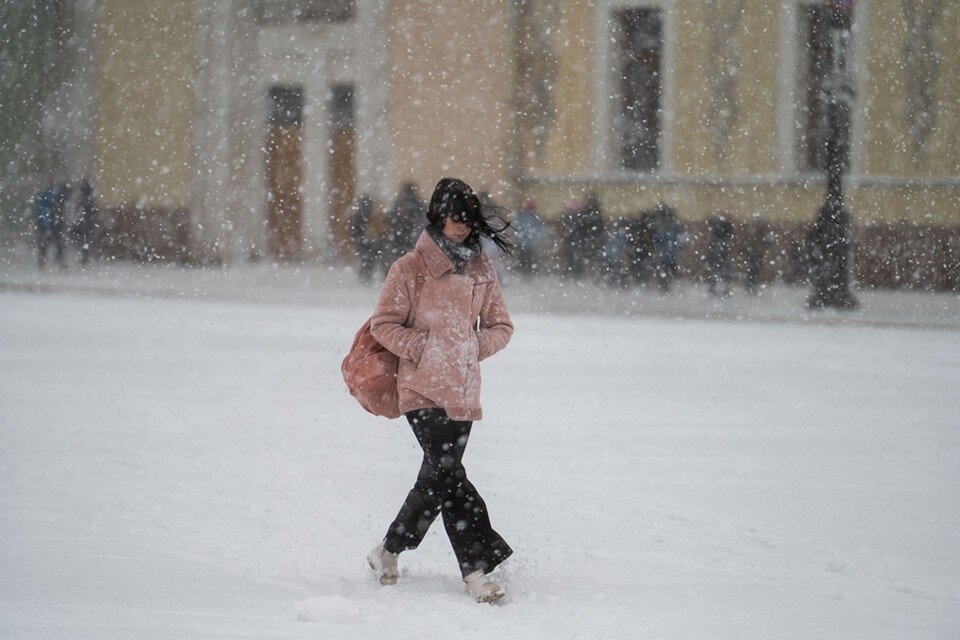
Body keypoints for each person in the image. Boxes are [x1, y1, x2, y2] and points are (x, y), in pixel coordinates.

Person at [365, 177, 515, 604]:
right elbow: (384, 324)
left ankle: (388, 550)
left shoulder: (482, 269)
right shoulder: (409, 268)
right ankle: (477, 570)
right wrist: (425, 349)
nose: (462, 226)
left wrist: (470, 349)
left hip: (463, 392)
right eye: (455, 217)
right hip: (420, 389)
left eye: (468, 218)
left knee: (437, 479)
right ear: (436, 215)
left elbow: (502, 327)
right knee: (448, 474)